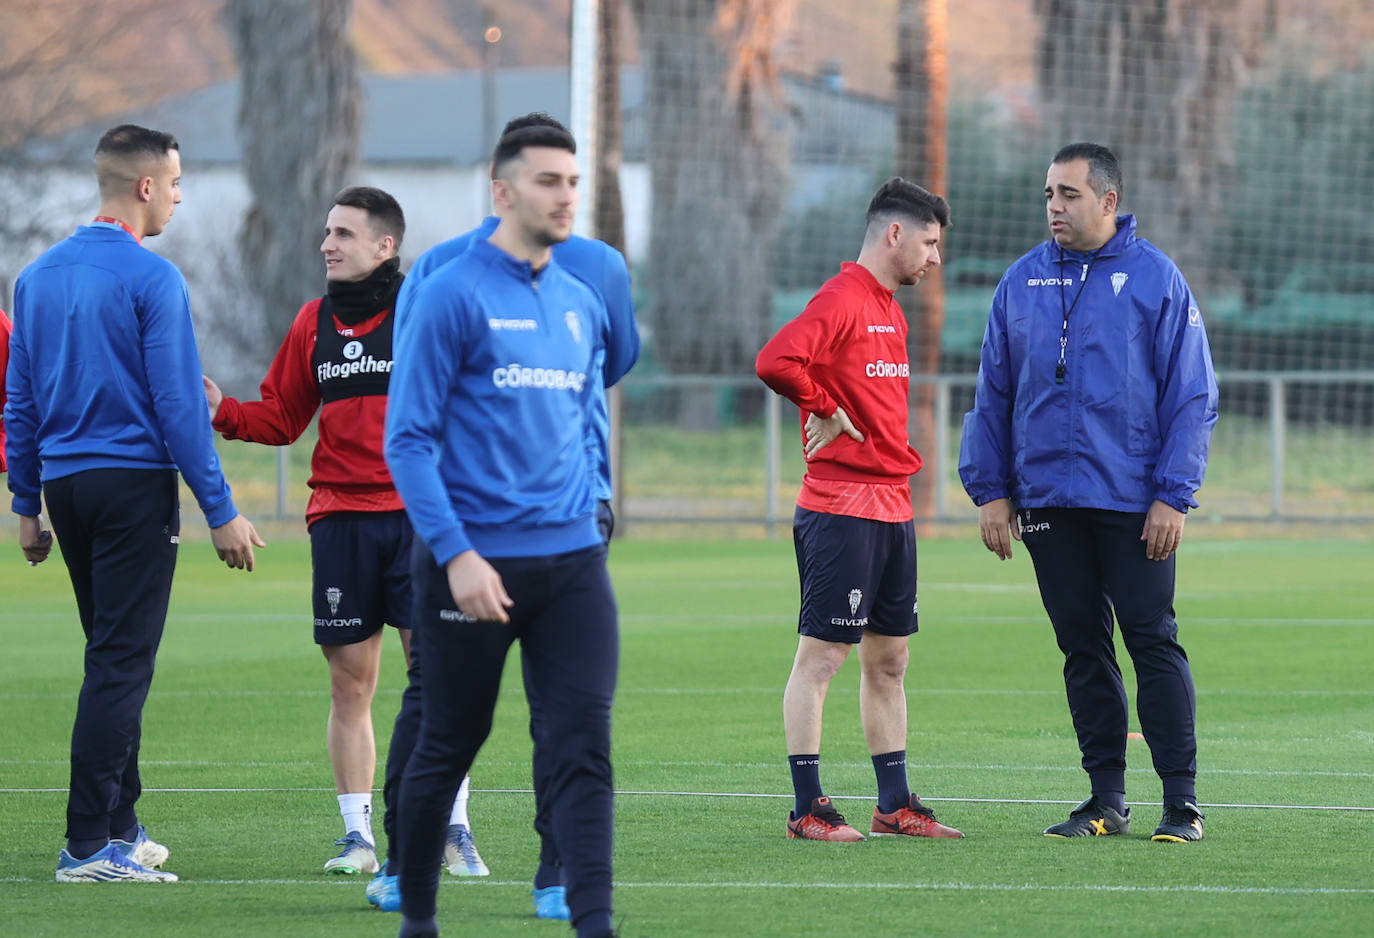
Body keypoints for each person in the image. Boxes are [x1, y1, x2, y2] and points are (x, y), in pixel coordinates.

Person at [366, 111, 638, 922]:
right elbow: (407, 439)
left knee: (582, 748)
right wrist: (454, 552)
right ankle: (419, 913)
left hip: (573, 563)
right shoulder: (450, 290)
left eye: (572, 181)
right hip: (469, 563)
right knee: (448, 743)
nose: (564, 196)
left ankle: (591, 917)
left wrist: (593, 510)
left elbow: (588, 420)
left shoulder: (583, 301)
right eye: (547, 180)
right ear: (503, 189)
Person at [4, 124, 264, 883]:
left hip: (67, 487)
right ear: (145, 187)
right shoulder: (154, 280)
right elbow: (180, 408)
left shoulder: (38, 275)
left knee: (109, 652)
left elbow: (17, 402)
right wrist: (220, 510)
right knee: (121, 661)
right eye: (176, 183)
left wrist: (27, 502)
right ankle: (87, 845)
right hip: (130, 489)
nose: (181, 197)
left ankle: (120, 823)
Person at [203, 186, 487, 878]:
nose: (327, 244)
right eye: (327, 232)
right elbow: (279, 418)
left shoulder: (423, 309)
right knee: (349, 685)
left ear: (385, 246)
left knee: (437, 680)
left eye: (344, 234)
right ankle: (358, 838)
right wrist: (222, 410)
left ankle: (454, 828)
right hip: (340, 522)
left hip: (423, 520)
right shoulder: (312, 323)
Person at [958, 142, 1218, 843]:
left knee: (1151, 640)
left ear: (1108, 201)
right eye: (1049, 194)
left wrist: (1173, 494)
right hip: (1047, 502)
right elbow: (993, 394)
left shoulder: (1156, 278)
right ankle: (1105, 800)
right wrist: (990, 489)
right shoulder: (1020, 282)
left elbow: (1193, 397)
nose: (1054, 207)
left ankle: (1182, 803)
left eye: (1069, 195)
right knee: (1081, 646)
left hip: (1135, 504)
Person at [756, 177, 964, 843]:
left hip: (891, 506)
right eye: (929, 243)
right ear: (894, 234)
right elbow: (776, 359)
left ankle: (894, 802)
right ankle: (807, 808)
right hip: (841, 506)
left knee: (891, 660)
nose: (935, 258)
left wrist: (832, 403)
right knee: (821, 658)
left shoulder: (892, 310)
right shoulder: (844, 296)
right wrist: (821, 406)